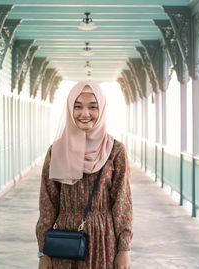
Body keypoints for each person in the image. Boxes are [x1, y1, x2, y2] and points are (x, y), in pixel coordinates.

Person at [36, 81, 133, 269]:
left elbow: (122, 203)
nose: (85, 113)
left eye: (93, 107)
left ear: (102, 110)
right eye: (78, 106)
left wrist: (124, 249)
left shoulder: (115, 151)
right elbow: (47, 203)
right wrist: (43, 251)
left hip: (103, 241)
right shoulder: (56, 151)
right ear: (69, 110)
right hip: (63, 241)